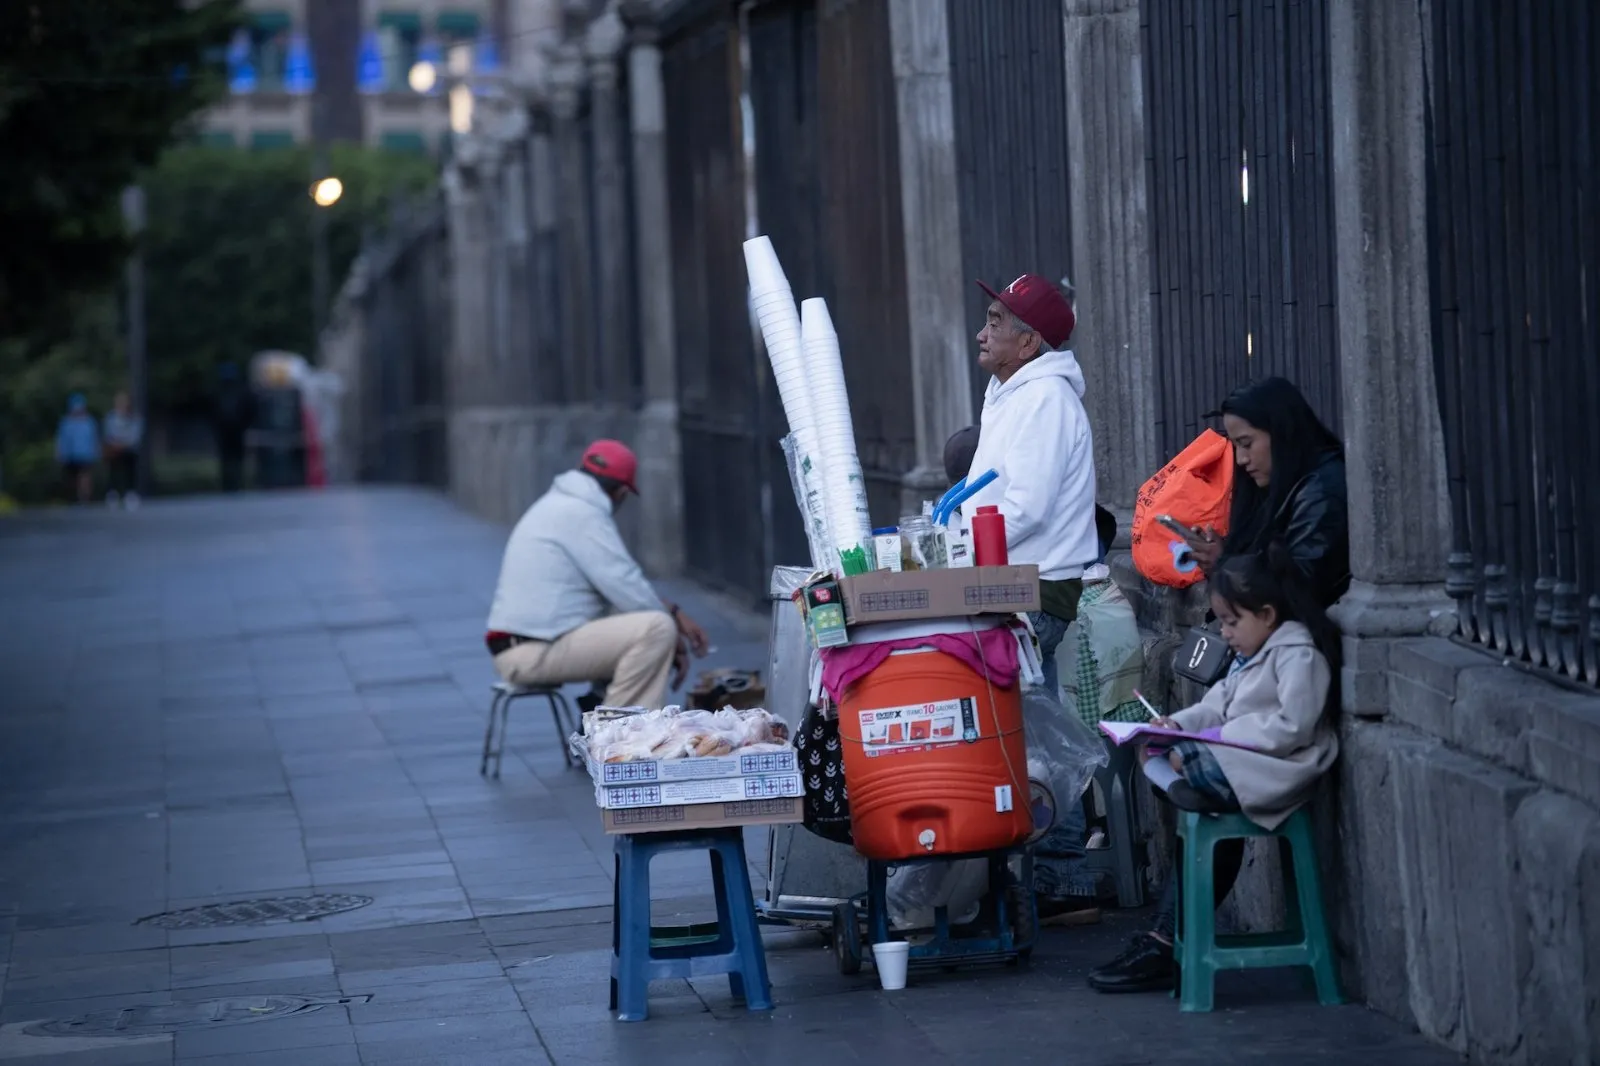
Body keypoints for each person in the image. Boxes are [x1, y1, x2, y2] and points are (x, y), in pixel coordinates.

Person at [1088, 545, 1340, 993]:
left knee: (1195, 757)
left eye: (1231, 621)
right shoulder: (1249, 659)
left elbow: (1292, 728)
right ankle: (1187, 783)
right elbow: (1213, 708)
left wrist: (1221, 738)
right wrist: (1173, 726)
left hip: (1278, 765)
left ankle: (1190, 781)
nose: (1224, 632)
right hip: (1244, 757)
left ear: (1266, 614)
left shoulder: (1298, 655)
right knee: (1162, 749)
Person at [956, 273, 1102, 920]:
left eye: (995, 321)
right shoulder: (1014, 392)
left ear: (1030, 341)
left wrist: (959, 541)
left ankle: (1062, 872)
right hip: (1011, 578)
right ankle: (1053, 869)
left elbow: (1026, 505)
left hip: (1036, 583)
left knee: (1025, 728)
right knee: (1026, 722)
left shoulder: (1046, 402)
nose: (981, 332)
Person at [485, 440, 711, 711]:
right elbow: (626, 586)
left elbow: (624, 593)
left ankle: (601, 714)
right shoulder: (582, 513)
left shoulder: (561, 504)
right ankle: (622, 740)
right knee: (655, 629)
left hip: (524, 646)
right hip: (531, 652)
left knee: (633, 621)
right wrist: (673, 631)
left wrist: (673, 612)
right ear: (622, 492)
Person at [1178, 377, 1350, 607]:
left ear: (1281, 432)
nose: (1241, 459)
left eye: (1247, 444)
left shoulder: (1321, 491)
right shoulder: (1281, 482)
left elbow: (1301, 587)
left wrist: (1225, 564)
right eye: (1235, 446)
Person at [213, 362, 254, 493]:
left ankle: (229, 484)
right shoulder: (239, 390)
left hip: (227, 431)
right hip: (234, 431)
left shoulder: (220, 391)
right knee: (234, 458)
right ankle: (234, 484)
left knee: (228, 458)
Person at [55, 393, 100, 504]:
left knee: (85, 476)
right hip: (70, 455)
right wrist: (60, 454)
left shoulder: (89, 422)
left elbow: (94, 438)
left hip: (86, 454)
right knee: (72, 478)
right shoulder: (66, 422)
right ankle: (72, 497)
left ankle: (84, 497)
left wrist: (96, 452)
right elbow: (61, 440)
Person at [103, 391, 144, 510]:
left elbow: (136, 435)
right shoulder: (111, 418)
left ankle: (130, 494)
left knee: (130, 471)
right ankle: (112, 494)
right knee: (113, 471)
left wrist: (124, 444)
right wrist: (115, 444)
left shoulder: (134, 418)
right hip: (114, 449)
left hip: (129, 449)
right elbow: (108, 434)